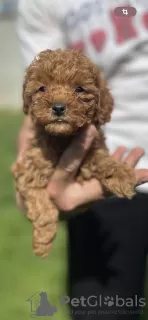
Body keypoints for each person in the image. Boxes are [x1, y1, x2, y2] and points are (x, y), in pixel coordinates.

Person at [16, 0, 148, 318]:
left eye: (78, 90)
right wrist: (32, 187)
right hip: (101, 184)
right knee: (102, 310)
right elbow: (35, 108)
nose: (60, 99)